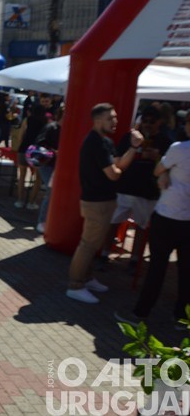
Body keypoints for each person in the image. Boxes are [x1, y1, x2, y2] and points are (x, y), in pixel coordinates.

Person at [116, 114, 190, 328]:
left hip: (168, 215)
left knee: (157, 268)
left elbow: (158, 169)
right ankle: (181, 318)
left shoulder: (179, 148)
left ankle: (141, 312)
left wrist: (164, 173)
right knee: (186, 271)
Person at [66, 103, 143, 304]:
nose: (115, 121)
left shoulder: (105, 142)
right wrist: (119, 167)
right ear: (98, 120)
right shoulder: (95, 143)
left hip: (105, 201)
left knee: (93, 244)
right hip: (96, 202)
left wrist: (134, 148)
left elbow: (119, 165)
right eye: (111, 118)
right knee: (87, 245)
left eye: (115, 117)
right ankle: (75, 285)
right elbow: (114, 174)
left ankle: (86, 278)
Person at [100, 105, 171, 270]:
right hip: (125, 188)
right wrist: (137, 152)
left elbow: (169, 168)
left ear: (159, 122)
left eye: (151, 121)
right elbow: (117, 161)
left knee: (141, 226)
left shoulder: (165, 141)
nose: (147, 124)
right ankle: (104, 255)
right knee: (112, 223)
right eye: (144, 120)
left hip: (147, 192)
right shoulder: (129, 137)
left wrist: (157, 157)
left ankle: (134, 259)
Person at [36, 105, 64, 234]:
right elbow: (40, 143)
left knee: (54, 192)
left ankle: (50, 220)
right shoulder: (51, 127)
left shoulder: (66, 129)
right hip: (47, 165)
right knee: (51, 191)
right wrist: (54, 151)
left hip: (58, 166)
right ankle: (42, 221)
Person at [15, 104, 48, 210]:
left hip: (24, 148)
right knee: (37, 179)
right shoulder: (46, 121)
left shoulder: (27, 120)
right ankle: (31, 203)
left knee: (22, 176)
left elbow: (21, 135)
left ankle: (20, 201)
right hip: (37, 151)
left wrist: (19, 147)